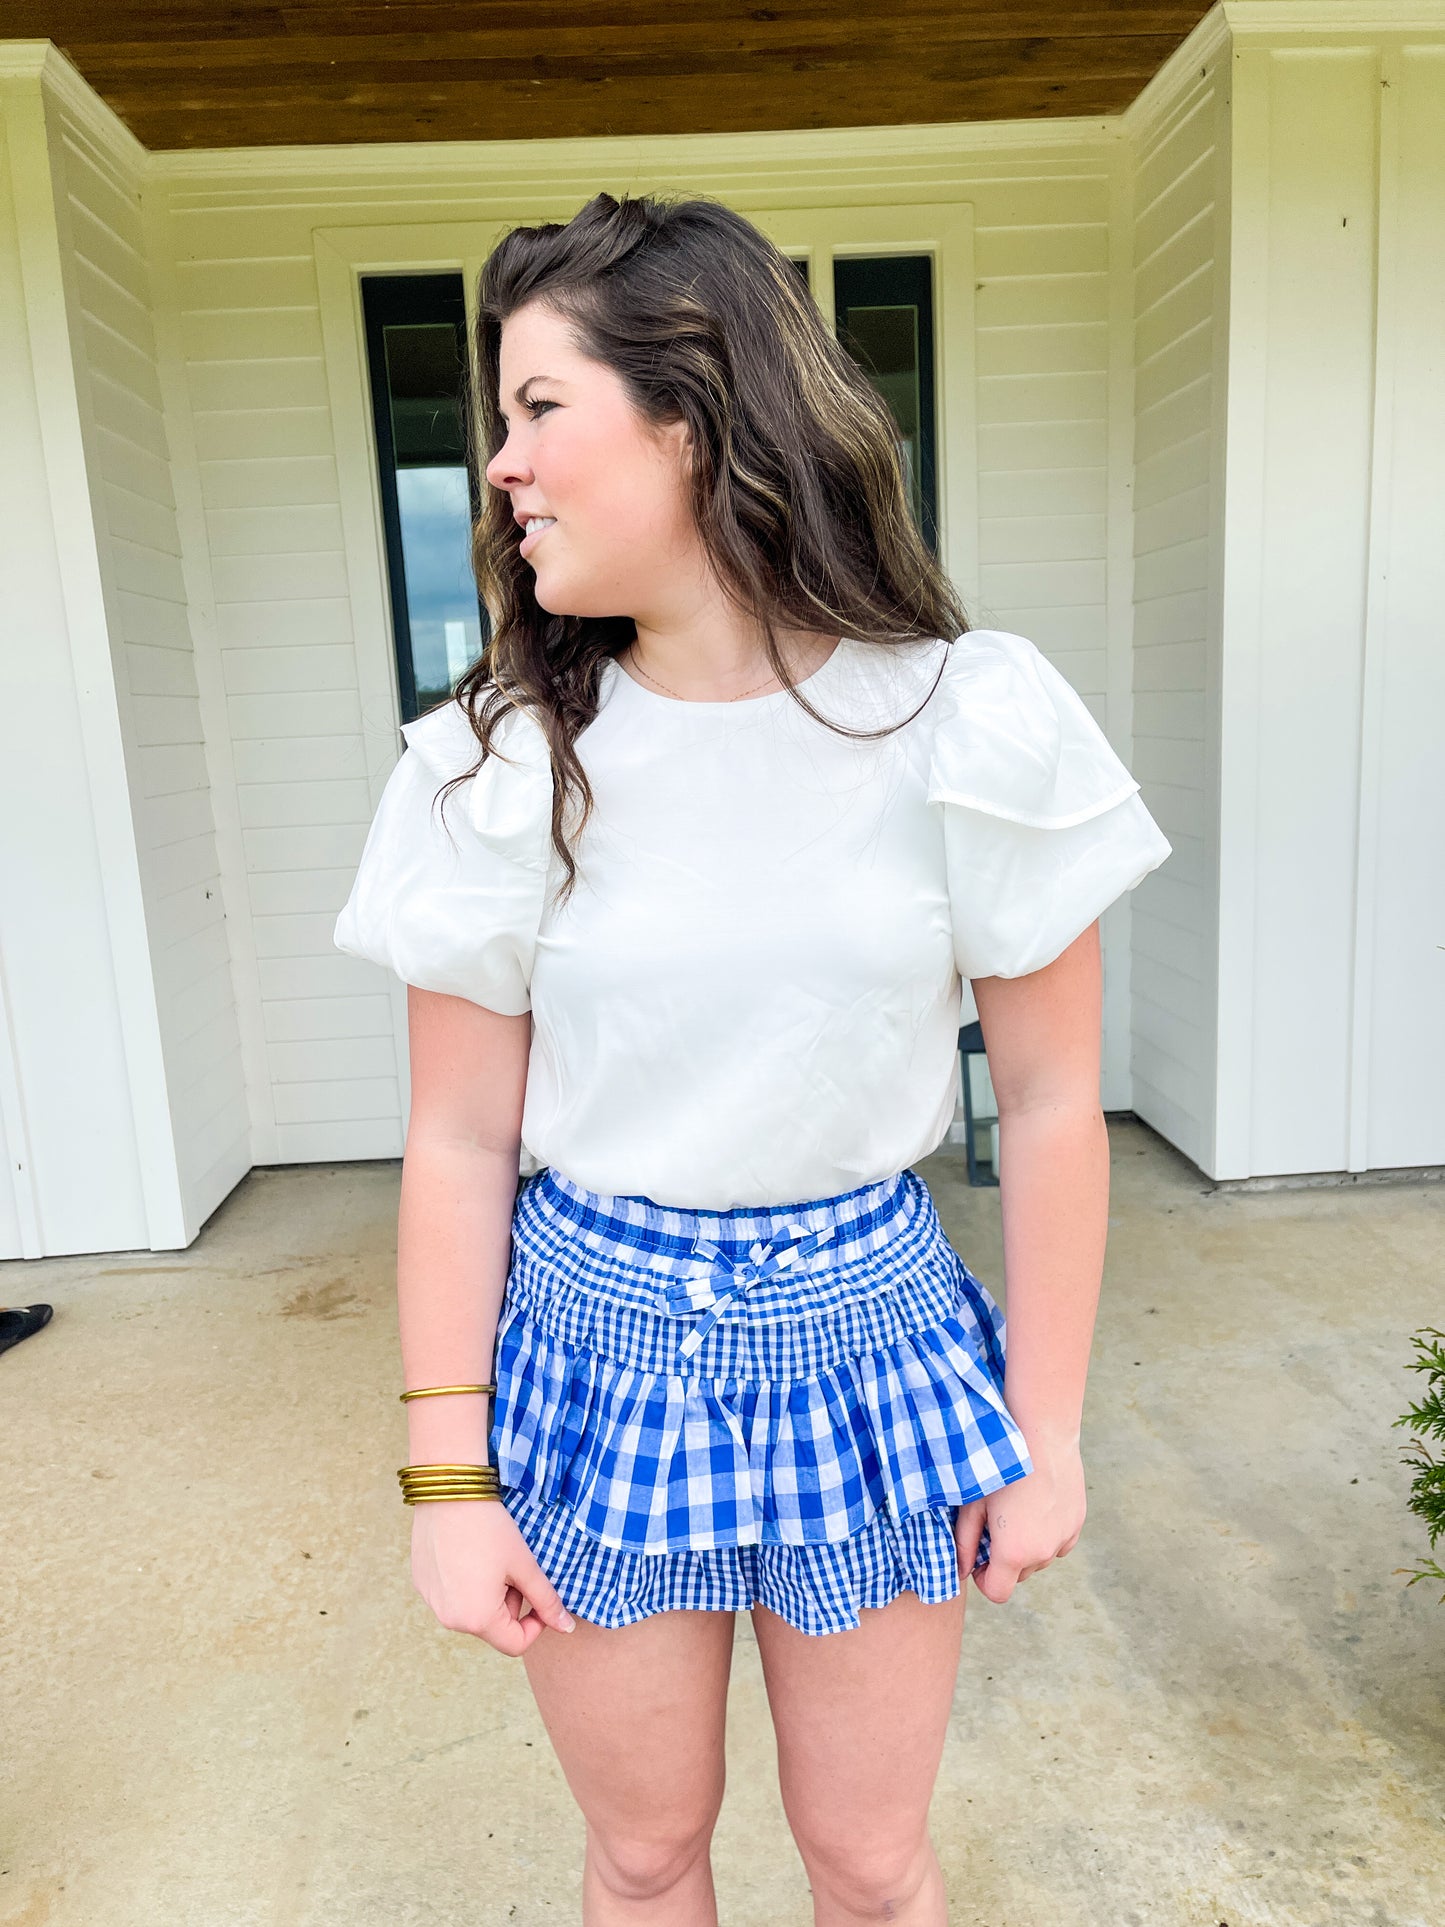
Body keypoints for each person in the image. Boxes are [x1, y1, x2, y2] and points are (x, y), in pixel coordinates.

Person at [334, 191, 1171, 1926]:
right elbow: (458, 1142)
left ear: (696, 416)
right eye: (501, 422)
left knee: (869, 1865)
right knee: (643, 1860)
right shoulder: (494, 768)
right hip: (596, 1357)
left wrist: (1051, 1432)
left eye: (539, 409)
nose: (500, 465)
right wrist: (444, 1478)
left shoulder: (962, 718)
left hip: (872, 1354)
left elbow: (1045, 1102)